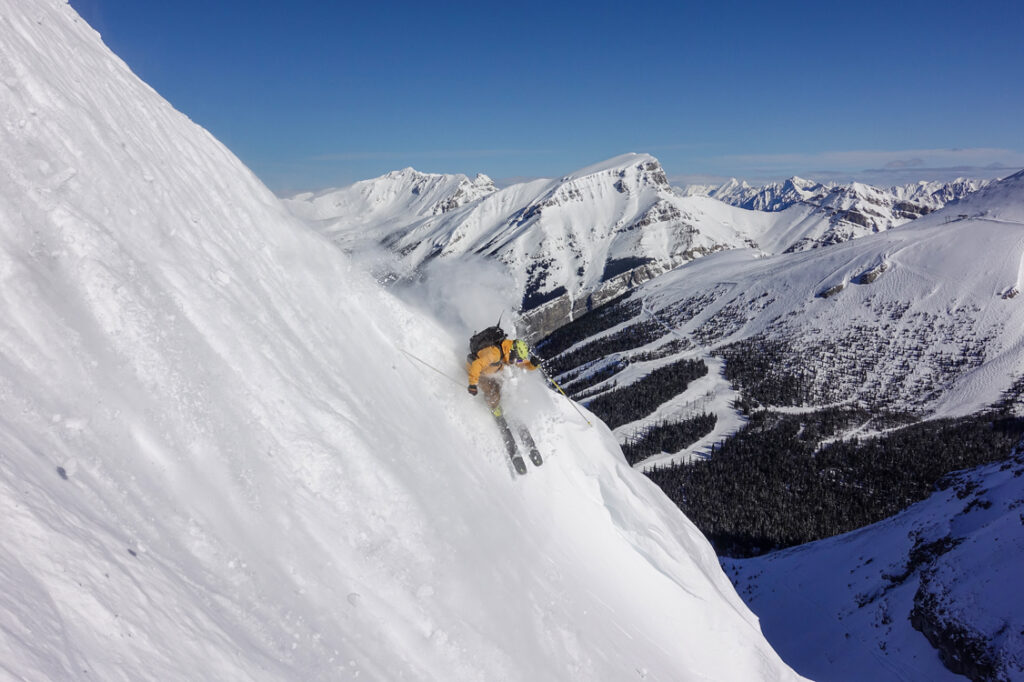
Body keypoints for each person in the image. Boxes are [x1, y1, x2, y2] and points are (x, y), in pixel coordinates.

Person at [466, 335, 543, 473]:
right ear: (512, 351)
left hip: (492, 372)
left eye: (518, 358)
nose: (516, 361)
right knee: (493, 393)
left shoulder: (508, 353)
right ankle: (495, 409)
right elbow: (476, 365)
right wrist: (472, 384)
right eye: (517, 358)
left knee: (505, 387)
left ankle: (505, 404)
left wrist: (532, 365)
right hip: (478, 373)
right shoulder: (495, 353)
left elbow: (521, 364)